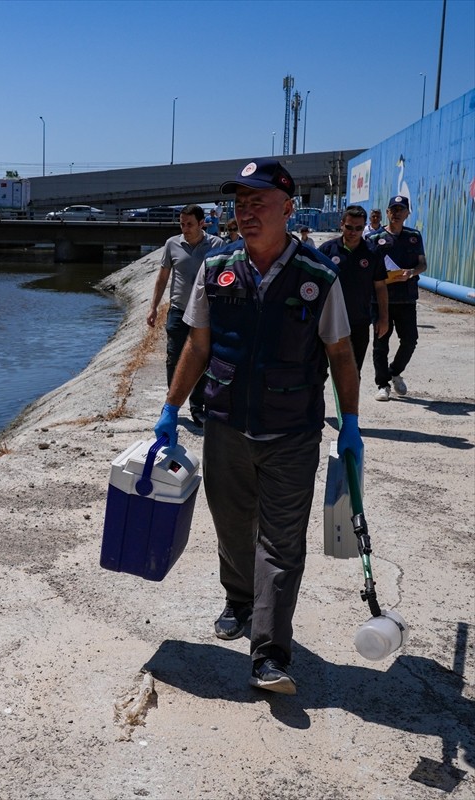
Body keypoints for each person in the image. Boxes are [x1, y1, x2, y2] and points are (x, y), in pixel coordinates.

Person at [154, 157, 363, 695]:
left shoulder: (319, 277)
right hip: (225, 425)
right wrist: (171, 408)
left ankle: (269, 652)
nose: (245, 214)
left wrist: (352, 423)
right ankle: (239, 600)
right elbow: (198, 345)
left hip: (292, 432)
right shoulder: (217, 268)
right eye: (240, 204)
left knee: (282, 541)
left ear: (288, 210)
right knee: (231, 525)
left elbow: (340, 354)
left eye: (258, 203)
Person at [146, 203, 225, 426]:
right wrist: (153, 307)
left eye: (189, 224)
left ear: (202, 224)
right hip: (178, 310)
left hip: (205, 313)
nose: (185, 228)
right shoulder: (172, 244)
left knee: (203, 360)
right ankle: (172, 405)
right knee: (174, 358)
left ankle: (197, 406)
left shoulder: (217, 245)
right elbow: (162, 278)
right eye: (182, 224)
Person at [367, 194, 427, 401]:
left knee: (410, 340)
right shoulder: (374, 238)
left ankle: (394, 371)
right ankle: (382, 384)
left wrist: (411, 272)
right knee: (380, 343)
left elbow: (423, 264)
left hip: (406, 298)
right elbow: (367, 267)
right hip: (381, 299)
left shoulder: (414, 236)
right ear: (387, 212)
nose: (397, 213)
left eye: (401, 210)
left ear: (408, 213)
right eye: (393, 209)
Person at [318, 205, 389, 378]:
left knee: (352, 373)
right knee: (318, 371)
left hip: (358, 322)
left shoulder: (372, 253)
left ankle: (348, 406)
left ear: (364, 227)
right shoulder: (327, 251)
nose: (353, 232)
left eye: (358, 228)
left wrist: (383, 318)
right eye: (349, 227)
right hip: (329, 321)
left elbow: (380, 287)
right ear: (341, 224)